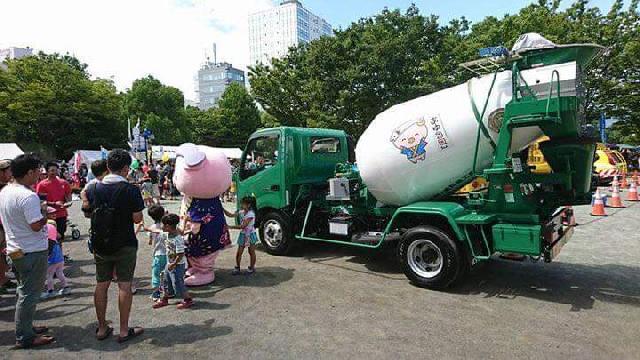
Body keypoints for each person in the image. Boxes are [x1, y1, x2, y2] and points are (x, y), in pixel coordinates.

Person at [84, 149, 145, 343]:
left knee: (101, 284)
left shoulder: (93, 188)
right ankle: (124, 330)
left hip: (101, 244)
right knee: (124, 285)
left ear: (107, 167)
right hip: (125, 243)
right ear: (126, 168)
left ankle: (102, 328)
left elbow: (88, 213)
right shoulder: (131, 190)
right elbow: (137, 218)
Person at [0, 153, 55, 348]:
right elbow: (35, 225)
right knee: (29, 293)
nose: (39, 175)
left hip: (16, 249)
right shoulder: (28, 196)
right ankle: (24, 336)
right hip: (31, 250)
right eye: (38, 171)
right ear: (29, 172)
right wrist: (44, 213)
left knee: (23, 290)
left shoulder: (6, 191)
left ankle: (26, 327)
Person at [152, 213, 193, 309]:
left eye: (163, 224)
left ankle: (188, 300)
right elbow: (155, 230)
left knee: (178, 283)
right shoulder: (168, 234)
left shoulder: (177, 238)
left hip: (177, 265)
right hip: (169, 263)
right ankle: (165, 298)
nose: (161, 226)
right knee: (165, 280)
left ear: (168, 226)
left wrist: (174, 264)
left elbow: (181, 254)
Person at [36, 162, 72, 260]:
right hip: (48, 216)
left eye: (56, 170)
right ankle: (50, 258)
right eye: (52, 170)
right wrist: (54, 203)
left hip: (62, 214)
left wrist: (68, 202)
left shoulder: (63, 183)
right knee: (50, 238)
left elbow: (68, 195)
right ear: (47, 171)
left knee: (60, 236)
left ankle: (59, 257)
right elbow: (41, 201)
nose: (54, 172)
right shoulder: (42, 185)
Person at [41, 207, 70, 299]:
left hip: (52, 259)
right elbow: (59, 236)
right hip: (59, 258)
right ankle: (66, 287)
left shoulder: (47, 236)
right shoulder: (55, 235)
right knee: (60, 273)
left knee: (49, 275)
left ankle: (51, 291)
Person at [224, 197, 258, 275]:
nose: (241, 205)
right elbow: (231, 215)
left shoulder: (251, 214)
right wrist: (223, 209)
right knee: (239, 252)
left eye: (243, 203)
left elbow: (243, 226)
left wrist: (230, 227)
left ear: (248, 205)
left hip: (250, 234)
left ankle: (252, 267)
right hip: (243, 234)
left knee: (251, 252)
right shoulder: (242, 211)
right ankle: (237, 267)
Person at [142, 205, 167, 301]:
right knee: (165, 273)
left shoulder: (152, 227)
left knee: (156, 274)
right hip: (167, 253)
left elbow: (150, 241)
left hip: (158, 254)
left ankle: (156, 293)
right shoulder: (167, 226)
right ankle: (167, 291)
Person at [0, 159, 18, 293]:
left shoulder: (9, 186)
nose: (11, 173)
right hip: (2, 226)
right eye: (8, 170)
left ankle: (3, 279)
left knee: (5, 253)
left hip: (7, 226)